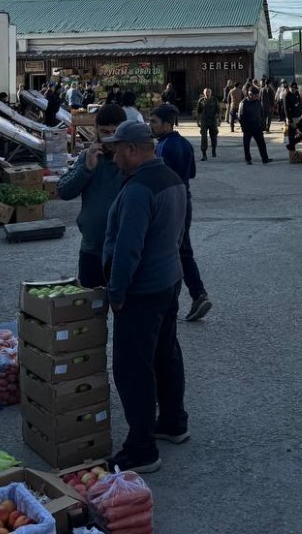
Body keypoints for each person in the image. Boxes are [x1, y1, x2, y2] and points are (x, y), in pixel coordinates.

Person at [101, 120, 189, 473]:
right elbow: (182, 233)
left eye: (117, 149)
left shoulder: (138, 190)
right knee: (165, 354)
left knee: (131, 367)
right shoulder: (171, 178)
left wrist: (117, 292)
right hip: (169, 280)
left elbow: (127, 249)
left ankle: (142, 448)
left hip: (143, 289)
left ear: (133, 150)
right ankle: (172, 422)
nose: (113, 156)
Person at [150, 105, 212, 322]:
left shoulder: (163, 148)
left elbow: (160, 177)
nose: (151, 126)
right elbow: (192, 173)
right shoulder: (184, 144)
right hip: (185, 199)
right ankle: (197, 295)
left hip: (170, 204)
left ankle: (177, 300)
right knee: (183, 250)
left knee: (171, 251)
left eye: (155, 122)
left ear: (167, 124)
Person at [57, 104, 126, 289]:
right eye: (105, 131)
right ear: (96, 130)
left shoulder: (131, 159)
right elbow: (63, 191)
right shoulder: (88, 156)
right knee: (91, 310)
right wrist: (87, 167)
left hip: (124, 250)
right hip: (92, 249)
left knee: (125, 310)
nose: (110, 136)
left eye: (116, 131)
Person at [238, 86, 271, 165]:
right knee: (246, 144)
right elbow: (240, 116)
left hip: (257, 126)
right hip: (248, 127)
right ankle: (248, 159)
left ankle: (265, 159)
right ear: (250, 94)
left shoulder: (257, 101)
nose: (257, 97)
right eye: (255, 95)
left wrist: (262, 123)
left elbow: (261, 113)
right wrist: (243, 126)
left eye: (257, 95)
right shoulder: (243, 103)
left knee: (262, 143)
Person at [194, 87, 220, 161]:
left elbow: (218, 110)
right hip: (204, 121)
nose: (207, 94)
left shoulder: (214, 100)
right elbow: (198, 112)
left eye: (208, 92)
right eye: (206, 92)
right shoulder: (201, 101)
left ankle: (214, 149)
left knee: (214, 137)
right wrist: (197, 121)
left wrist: (219, 120)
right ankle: (204, 155)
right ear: (204, 93)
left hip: (212, 121)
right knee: (204, 138)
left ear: (211, 93)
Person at [285, 82, 302, 151]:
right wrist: (290, 121)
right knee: (291, 136)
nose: (294, 90)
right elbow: (286, 110)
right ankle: (292, 150)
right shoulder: (287, 96)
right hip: (292, 119)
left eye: (295, 89)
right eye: (292, 88)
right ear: (289, 88)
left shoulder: (297, 93)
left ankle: (291, 144)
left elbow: (300, 104)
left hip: (299, 117)